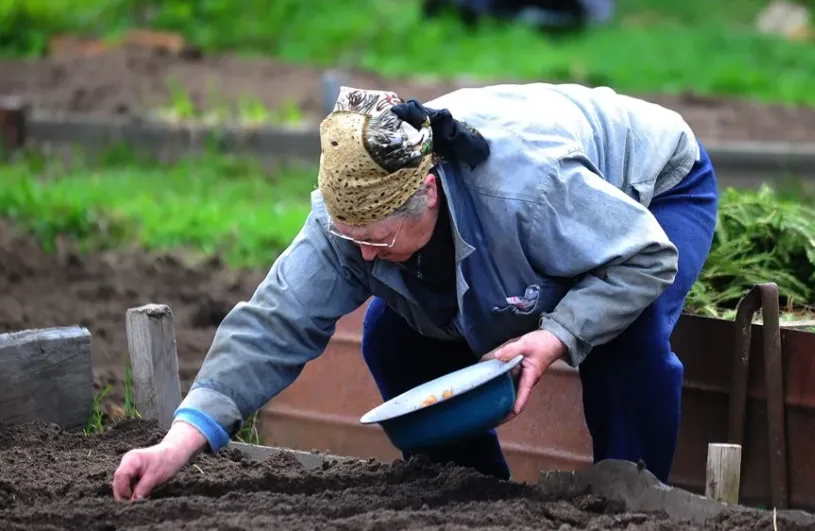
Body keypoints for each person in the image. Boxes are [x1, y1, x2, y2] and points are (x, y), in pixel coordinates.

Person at [112, 82, 719, 501]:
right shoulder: (349, 226)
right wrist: (178, 442)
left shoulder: (526, 192)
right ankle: (476, 492)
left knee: (624, 337)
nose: (366, 256)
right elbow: (274, 322)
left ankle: (628, 503)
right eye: (354, 242)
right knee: (390, 336)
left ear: (428, 192)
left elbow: (643, 256)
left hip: (654, 184)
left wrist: (557, 335)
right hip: (536, 203)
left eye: (379, 238)